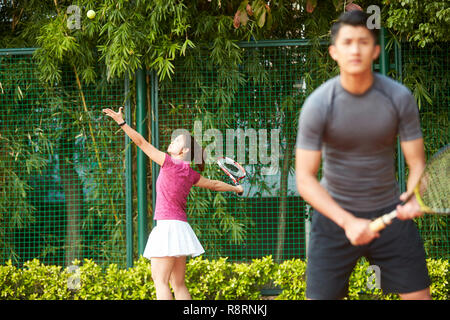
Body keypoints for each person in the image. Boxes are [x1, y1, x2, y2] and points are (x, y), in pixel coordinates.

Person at [295, 10, 431, 300]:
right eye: (347, 42)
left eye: (363, 41)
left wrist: (413, 193)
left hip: (390, 212)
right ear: (334, 52)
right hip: (334, 218)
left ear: (375, 50)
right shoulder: (318, 104)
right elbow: (305, 180)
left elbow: (417, 163)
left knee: (419, 297)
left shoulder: (399, 98)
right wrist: (347, 222)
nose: (355, 49)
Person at [103, 107, 243, 300]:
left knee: (160, 281)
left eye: (176, 141)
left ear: (183, 151)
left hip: (167, 227)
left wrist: (122, 122)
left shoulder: (169, 163)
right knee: (178, 284)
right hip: (181, 229)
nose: (172, 141)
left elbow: (141, 142)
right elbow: (214, 184)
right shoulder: (190, 173)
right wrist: (236, 188)